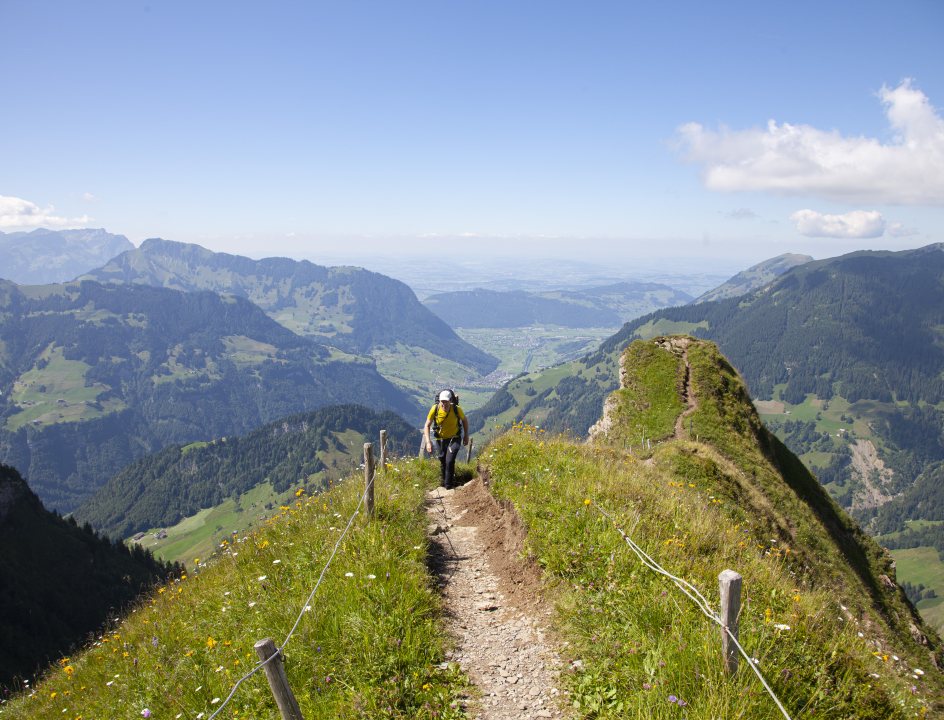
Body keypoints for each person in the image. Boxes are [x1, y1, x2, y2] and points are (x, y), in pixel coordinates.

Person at [424, 390, 469, 489]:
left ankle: (448, 486)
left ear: (450, 401)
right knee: (443, 460)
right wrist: (428, 442)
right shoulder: (434, 409)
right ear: (439, 401)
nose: (444, 404)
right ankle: (445, 481)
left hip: (454, 438)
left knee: (449, 460)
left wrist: (466, 435)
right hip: (440, 440)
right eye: (442, 401)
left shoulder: (456, 409)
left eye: (446, 401)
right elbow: (427, 425)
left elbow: (464, 420)